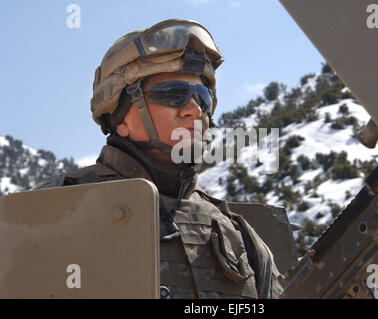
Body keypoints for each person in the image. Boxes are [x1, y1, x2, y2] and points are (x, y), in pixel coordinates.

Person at [33, 19, 284, 299]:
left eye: (202, 97)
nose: (194, 110)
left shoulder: (237, 233)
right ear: (120, 114)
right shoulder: (50, 211)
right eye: (174, 95)